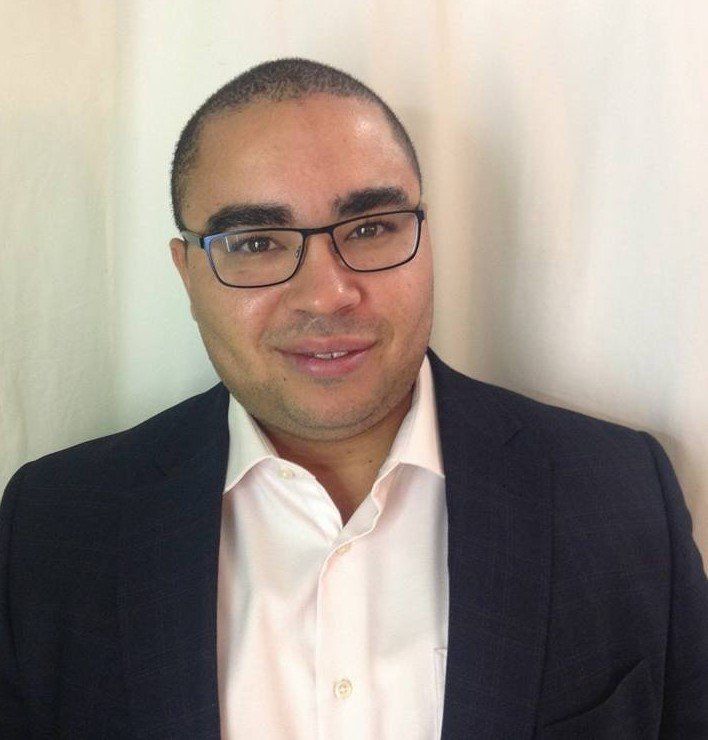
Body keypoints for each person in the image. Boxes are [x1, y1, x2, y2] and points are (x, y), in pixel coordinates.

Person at [0, 57, 706, 740]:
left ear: (425, 239)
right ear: (188, 273)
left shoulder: (618, 494)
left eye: (370, 229)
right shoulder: (54, 529)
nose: (327, 295)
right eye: (257, 242)